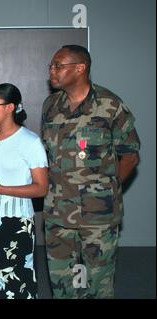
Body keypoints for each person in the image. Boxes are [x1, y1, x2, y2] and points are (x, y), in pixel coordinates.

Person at [42, 45, 140, 299]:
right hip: (58, 212)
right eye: (51, 66)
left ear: (80, 68)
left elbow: (130, 155)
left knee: (99, 282)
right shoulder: (51, 105)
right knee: (61, 282)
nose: (52, 71)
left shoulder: (110, 105)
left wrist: (106, 188)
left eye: (58, 65)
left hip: (99, 215)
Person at [0, 83, 49, 299]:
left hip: (16, 224)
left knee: (15, 283)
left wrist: (1, 188)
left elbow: (41, 188)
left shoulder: (30, 142)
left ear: (10, 107)